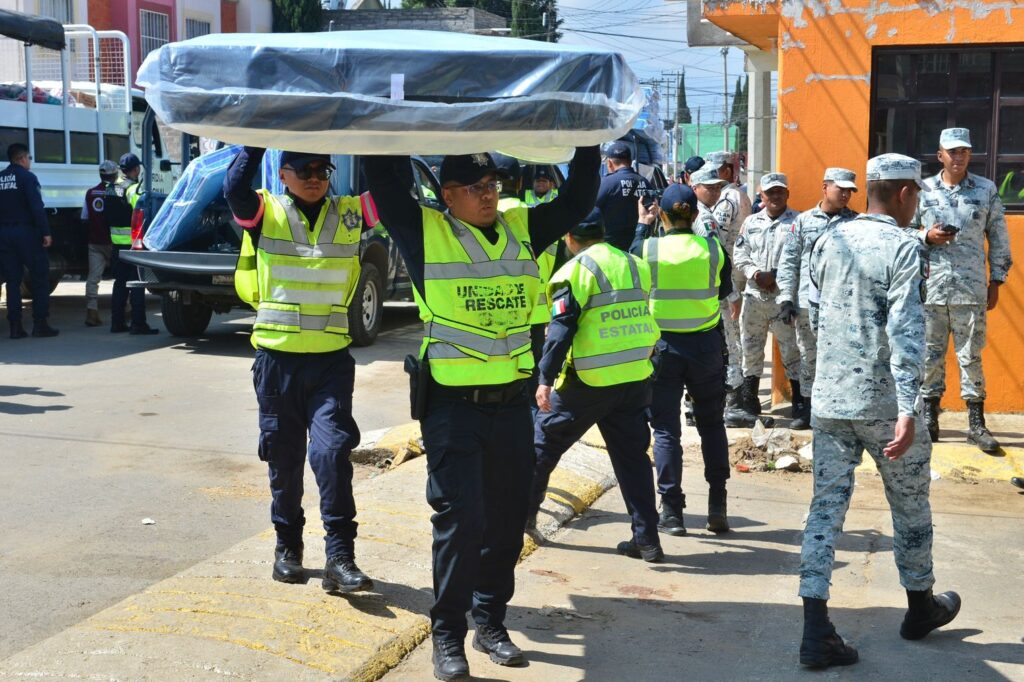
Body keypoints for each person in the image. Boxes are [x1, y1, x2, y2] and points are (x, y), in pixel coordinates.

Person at [364, 147, 599, 681]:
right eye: (475, 186)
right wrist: (393, 116)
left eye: (492, 182)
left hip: (512, 407)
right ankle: (448, 635)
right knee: (460, 522)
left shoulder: (520, 226)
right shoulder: (424, 230)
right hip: (452, 407)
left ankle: (490, 621)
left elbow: (579, 199)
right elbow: (382, 175)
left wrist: (590, 141)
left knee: (505, 523)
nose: (489, 192)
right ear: (448, 196)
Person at [799, 154, 960, 669]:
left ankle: (815, 629)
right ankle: (919, 608)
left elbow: (815, 312)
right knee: (910, 506)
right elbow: (907, 332)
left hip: (828, 399)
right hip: (885, 404)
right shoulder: (903, 246)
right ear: (907, 194)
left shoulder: (827, 239)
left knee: (825, 510)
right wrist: (911, 407)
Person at [224, 147, 377, 596]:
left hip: (330, 361)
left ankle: (340, 557)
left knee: (331, 455)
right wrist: (256, 137)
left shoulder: (351, 214)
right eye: (304, 171)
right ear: (284, 174)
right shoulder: (264, 209)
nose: (315, 178)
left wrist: (383, 130)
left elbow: (391, 188)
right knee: (284, 461)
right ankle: (287, 548)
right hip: (277, 362)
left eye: (323, 170)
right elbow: (233, 187)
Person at [527, 208, 663, 559]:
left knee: (540, 446)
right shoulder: (634, 263)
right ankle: (647, 539)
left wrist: (544, 379)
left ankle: (520, 519)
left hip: (589, 381)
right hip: (634, 376)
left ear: (568, 239)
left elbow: (559, 333)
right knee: (633, 459)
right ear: (602, 232)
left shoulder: (573, 273)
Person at [632, 184, 735, 535]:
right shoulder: (713, 249)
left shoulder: (648, 249)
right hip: (705, 347)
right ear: (694, 214)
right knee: (711, 424)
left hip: (662, 349)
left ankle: (672, 511)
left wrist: (643, 225)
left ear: (661, 213)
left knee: (665, 430)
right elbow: (722, 290)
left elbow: (631, 270)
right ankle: (717, 504)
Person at [911, 127, 1012, 453]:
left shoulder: (985, 190)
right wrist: (926, 236)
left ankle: (976, 424)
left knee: (971, 357)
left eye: (964, 151)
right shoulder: (923, 190)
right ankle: (930, 418)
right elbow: (902, 231)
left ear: (970, 154)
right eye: (952, 151)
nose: (958, 156)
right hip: (931, 288)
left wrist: (996, 280)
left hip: (970, 289)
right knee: (929, 355)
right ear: (940, 154)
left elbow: (998, 235)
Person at [776, 167, 859, 428]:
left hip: (842, 305)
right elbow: (789, 262)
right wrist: (786, 299)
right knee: (809, 356)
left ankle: (836, 409)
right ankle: (809, 409)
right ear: (825, 187)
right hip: (806, 304)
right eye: (840, 188)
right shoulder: (802, 222)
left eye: (849, 190)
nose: (846, 194)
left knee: (841, 357)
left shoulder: (856, 223)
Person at [732, 173, 802, 425]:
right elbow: (739, 253)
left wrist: (776, 276)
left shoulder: (798, 222)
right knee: (750, 349)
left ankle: (800, 404)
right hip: (754, 298)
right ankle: (749, 401)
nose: (775, 196)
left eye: (779, 192)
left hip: (784, 299)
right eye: (769, 192)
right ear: (761, 195)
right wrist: (755, 273)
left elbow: (802, 258)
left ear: (787, 194)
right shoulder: (751, 222)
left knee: (792, 351)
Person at [690, 165, 745, 426]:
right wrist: (731, 293)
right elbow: (718, 257)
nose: (715, 191)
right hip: (713, 293)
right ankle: (731, 407)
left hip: (693, 294)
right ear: (695, 188)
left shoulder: (682, 213)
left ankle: (692, 409)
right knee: (730, 346)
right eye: (709, 187)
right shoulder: (705, 219)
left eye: (717, 187)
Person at [0, 143, 58, 338]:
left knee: (12, 281)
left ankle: (15, 327)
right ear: (22, 158)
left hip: (4, 235)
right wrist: (46, 232)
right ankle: (40, 324)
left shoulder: (0, 179)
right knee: (40, 276)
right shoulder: (28, 178)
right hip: (26, 234)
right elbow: (36, 207)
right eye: (29, 158)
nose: (30, 162)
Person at [105, 153, 158, 334]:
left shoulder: (110, 187)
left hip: (116, 244)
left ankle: (116, 323)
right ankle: (138, 324)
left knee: (119, 284)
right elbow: (142, 212)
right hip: (133, 245)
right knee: (136, 284)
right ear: (136, 169)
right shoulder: (132, 189)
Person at [595, 140, 653, 250]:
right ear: (631, 161)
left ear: (610, 163)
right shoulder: (645, 182)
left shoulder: (605, 183)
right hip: (640, 246)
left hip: (611, 248)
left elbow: (591, 212)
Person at [82, 160, 119, 327]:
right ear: (114, 175)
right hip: (115, 241)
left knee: (93, 278)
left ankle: (92, 311)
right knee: (121, 277)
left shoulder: (90, 193)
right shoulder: (118, 191)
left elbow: (85, 217)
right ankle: (125, 309)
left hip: (95, 242)